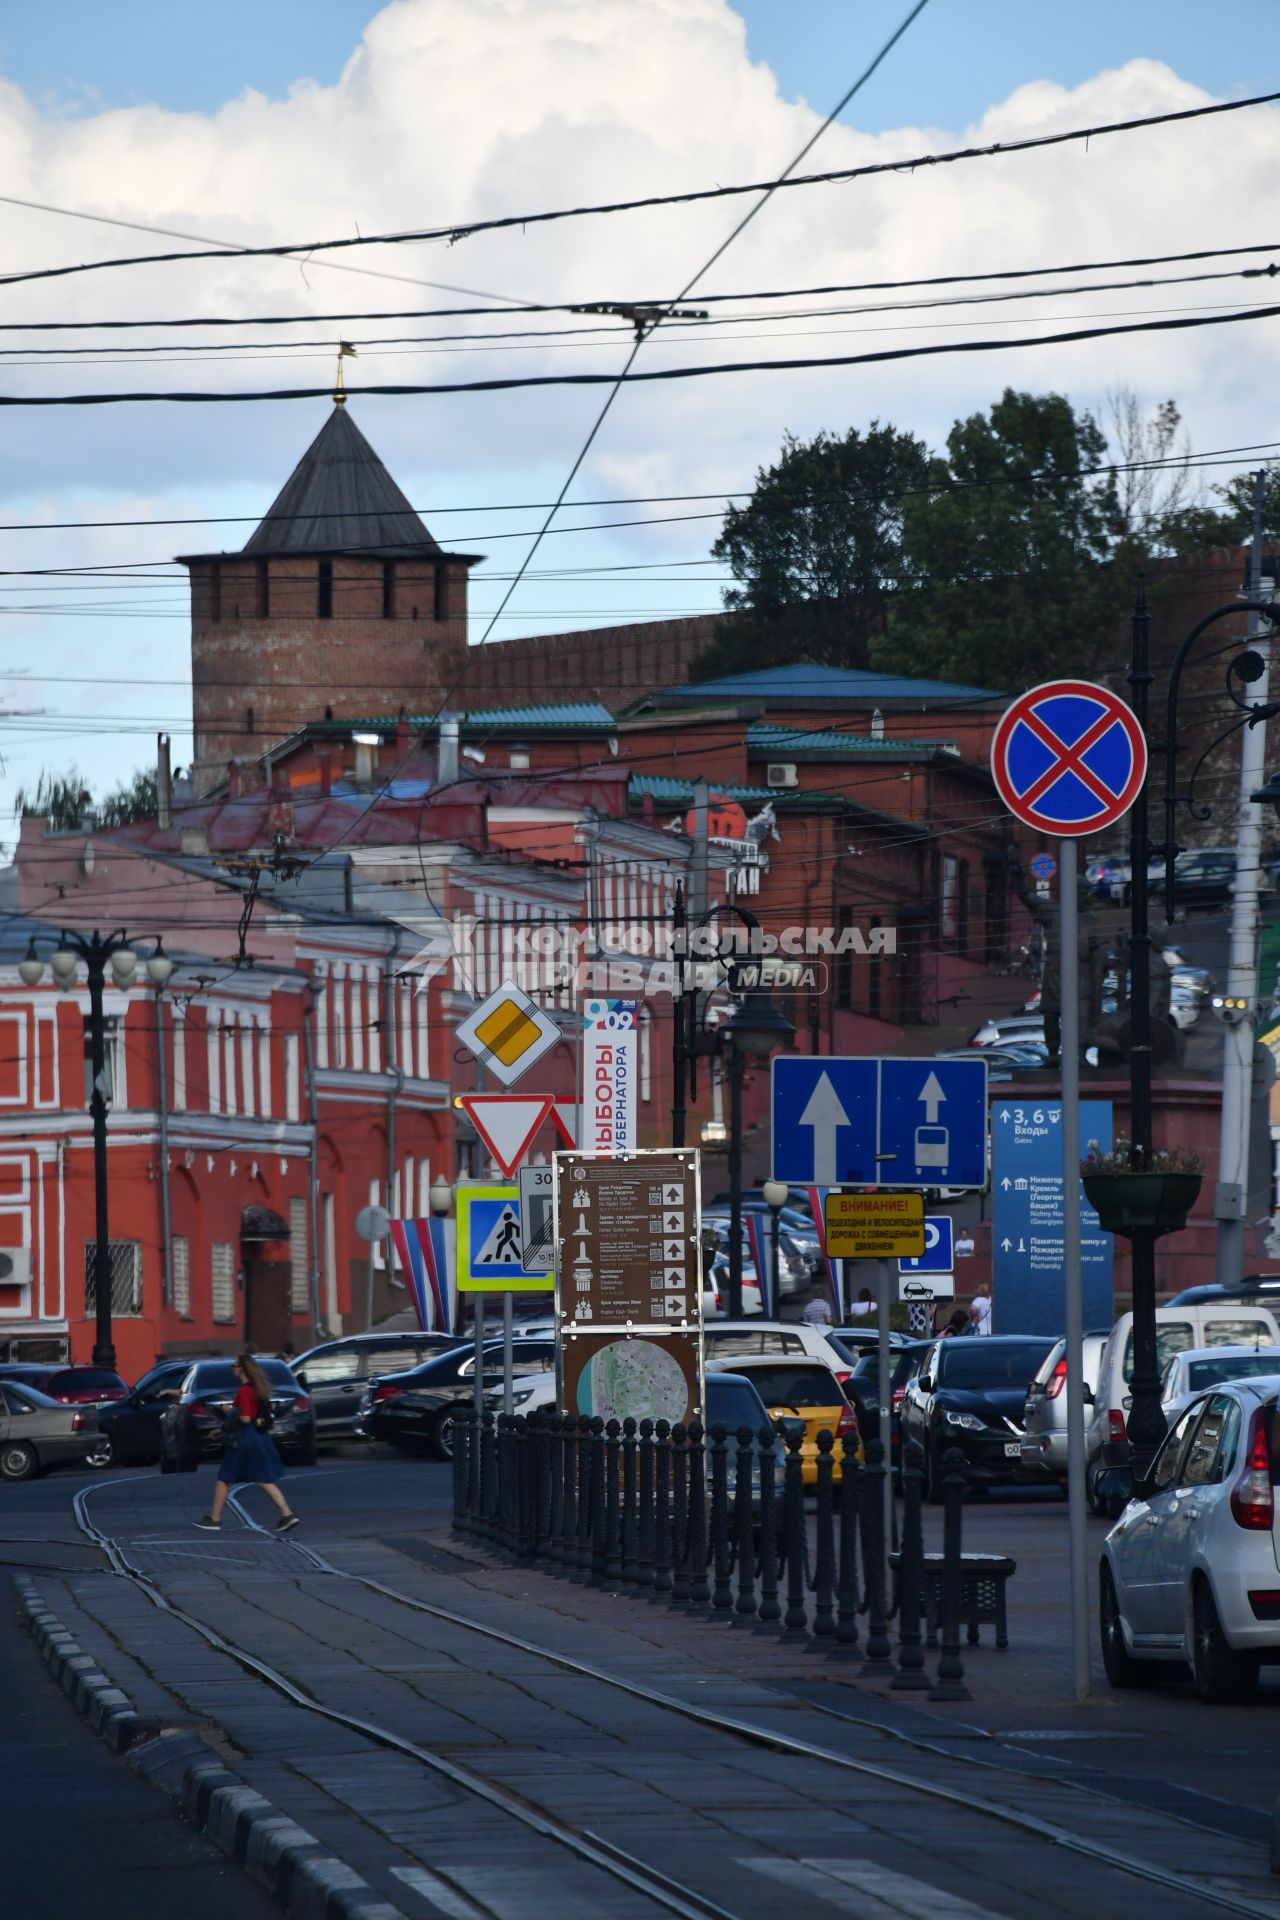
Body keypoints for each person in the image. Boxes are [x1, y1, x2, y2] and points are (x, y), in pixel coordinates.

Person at [194, 1352, 299, 1533]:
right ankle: (287, 1514)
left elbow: (244, 1418)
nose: (232, 1369)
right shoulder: (257, 1389)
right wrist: (222, 1429)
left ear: (241, 1369)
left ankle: (215, 1519)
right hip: (258, 1437)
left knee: (224, 1477)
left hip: (245, 1440)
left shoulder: (244, 1390)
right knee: (262, 1479)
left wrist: (228, 1411)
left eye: (234, 1366)